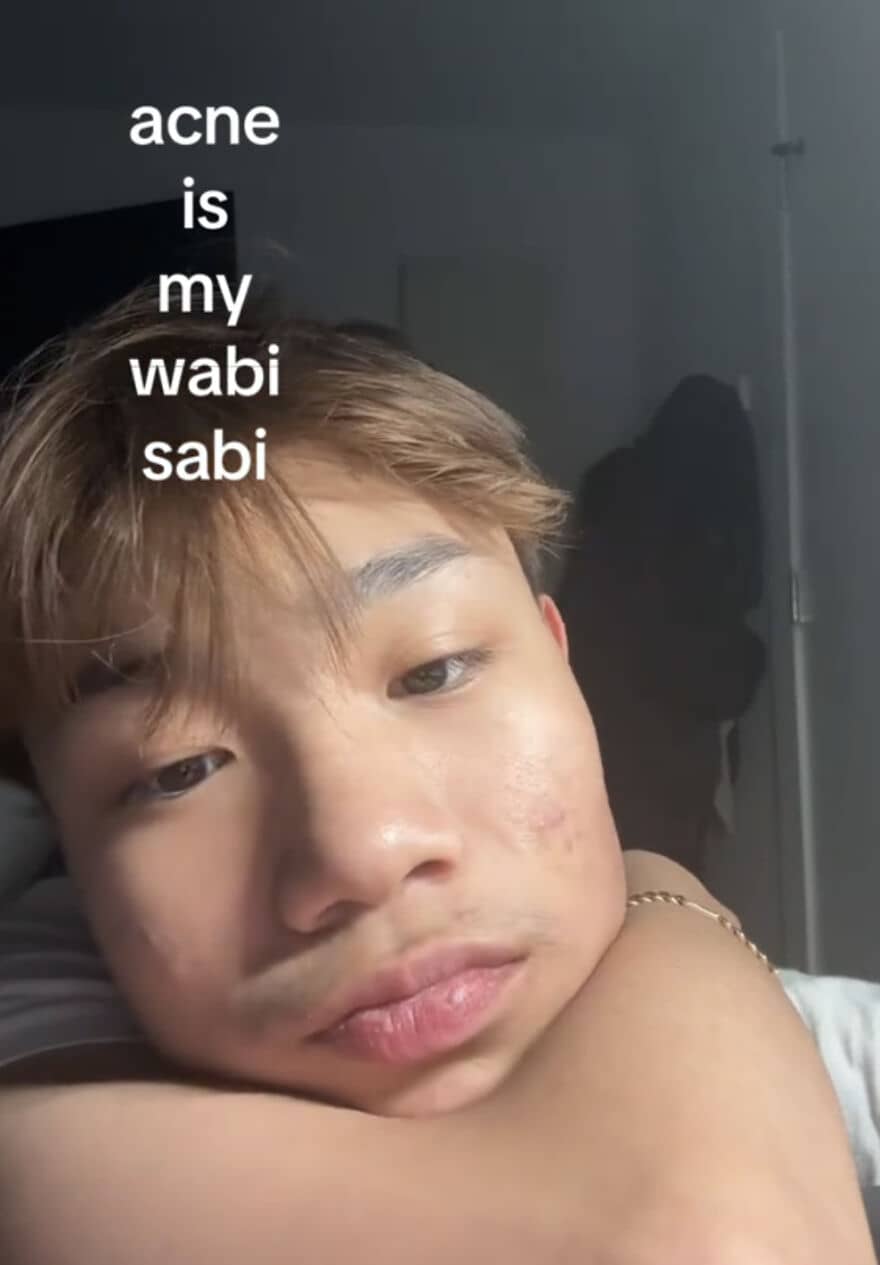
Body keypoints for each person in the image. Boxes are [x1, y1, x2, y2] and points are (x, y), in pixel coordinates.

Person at [0, 289, 873, 1262]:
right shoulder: (45, 1004)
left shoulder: (850, 1054)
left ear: (562, 658)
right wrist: (671, 896)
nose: (364, 852)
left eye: (435, 669)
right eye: (180, 770)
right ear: (67, 842)